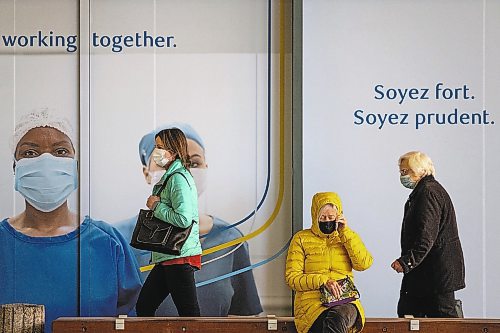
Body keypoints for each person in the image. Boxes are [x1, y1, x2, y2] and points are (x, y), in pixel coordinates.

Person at [0, 109, 142, 333]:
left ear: (75, 168)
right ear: (15, 169)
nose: (46, 161)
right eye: (30, 153)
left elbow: (133, 323)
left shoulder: (108, 243)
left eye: (60, 151)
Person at [116, 123, 262, 316]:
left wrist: (156, 206)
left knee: (186, 313)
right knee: (149, 307)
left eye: (194, 162)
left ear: (205, 168)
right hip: (167, 260)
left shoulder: (230, 239)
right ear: (146, 173)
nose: (188, 168)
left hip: (179, 260)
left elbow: (244, 319)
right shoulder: (118, 238)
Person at [135, 127, 202, 317]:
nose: (156, 152)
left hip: (178, 257)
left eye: (159, 147)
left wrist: (156, 206)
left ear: (172, 151)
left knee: (190, 316)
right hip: (168, 256)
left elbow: (183, 219)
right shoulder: (172, 177)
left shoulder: (178, 179)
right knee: (144, 307)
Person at [391, 151, 465, 318]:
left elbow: (426, 236)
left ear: (420, 170)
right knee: (411, 315)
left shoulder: (428, 193)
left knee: (442, 323)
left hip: (435, 276)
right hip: (428, 275)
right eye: (401, 172)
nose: (402, 176)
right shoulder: (426, 191)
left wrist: (406, 262)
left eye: (405, 171)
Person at [285, 192, 373, 333]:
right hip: (312, 304)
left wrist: (345, 233)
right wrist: (323, 281)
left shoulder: (346, 237)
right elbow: (292, 279)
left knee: (337, 317)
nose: (327, 221)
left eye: (331, 217)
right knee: (328, 322)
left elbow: (364, 264)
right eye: (323, 217)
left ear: (338, 217)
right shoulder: (301, 239)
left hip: (344, 301)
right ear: (315, 217)